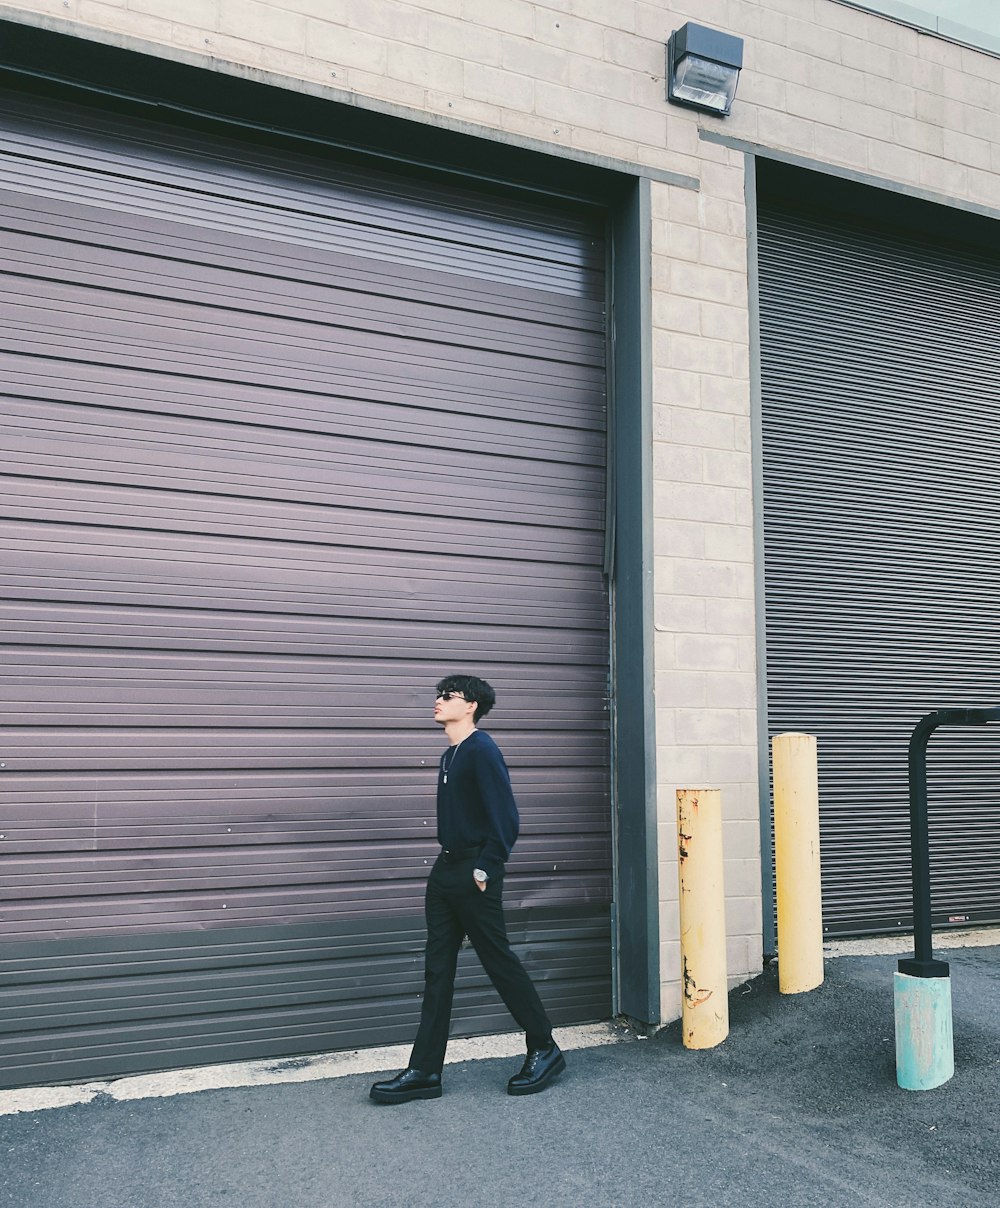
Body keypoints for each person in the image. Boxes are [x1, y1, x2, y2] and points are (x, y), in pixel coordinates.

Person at [370, 674, 565, 1103]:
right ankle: (424, 1070)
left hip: (474, 873)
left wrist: (486, 868)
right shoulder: (450, 754)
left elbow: (506, 818)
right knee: (437, 970)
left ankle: (543, 1046)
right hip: (444, 873)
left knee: (498, 960)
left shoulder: (482, 750)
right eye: (438, 694)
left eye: (448, 696)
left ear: (471, 705)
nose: (438, 701)